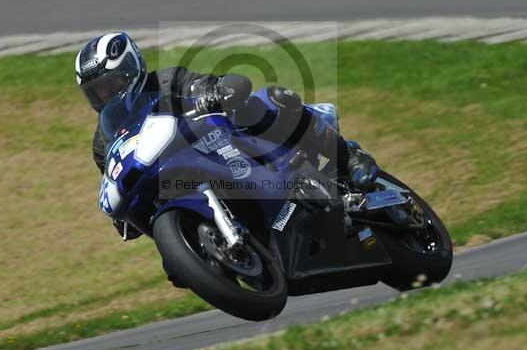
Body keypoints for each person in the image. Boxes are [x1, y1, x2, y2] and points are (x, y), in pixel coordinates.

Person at [75, 32, 381, 239]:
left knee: (267, 100)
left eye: (110, 84)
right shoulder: (103, 145)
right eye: (95, 92)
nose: (105, 95)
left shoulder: (168, 82)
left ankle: (348, 156)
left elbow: (226, 84)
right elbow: (118, 183)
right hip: (178, 185)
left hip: (225, 148)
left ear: (132, 69)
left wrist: (216, 92)